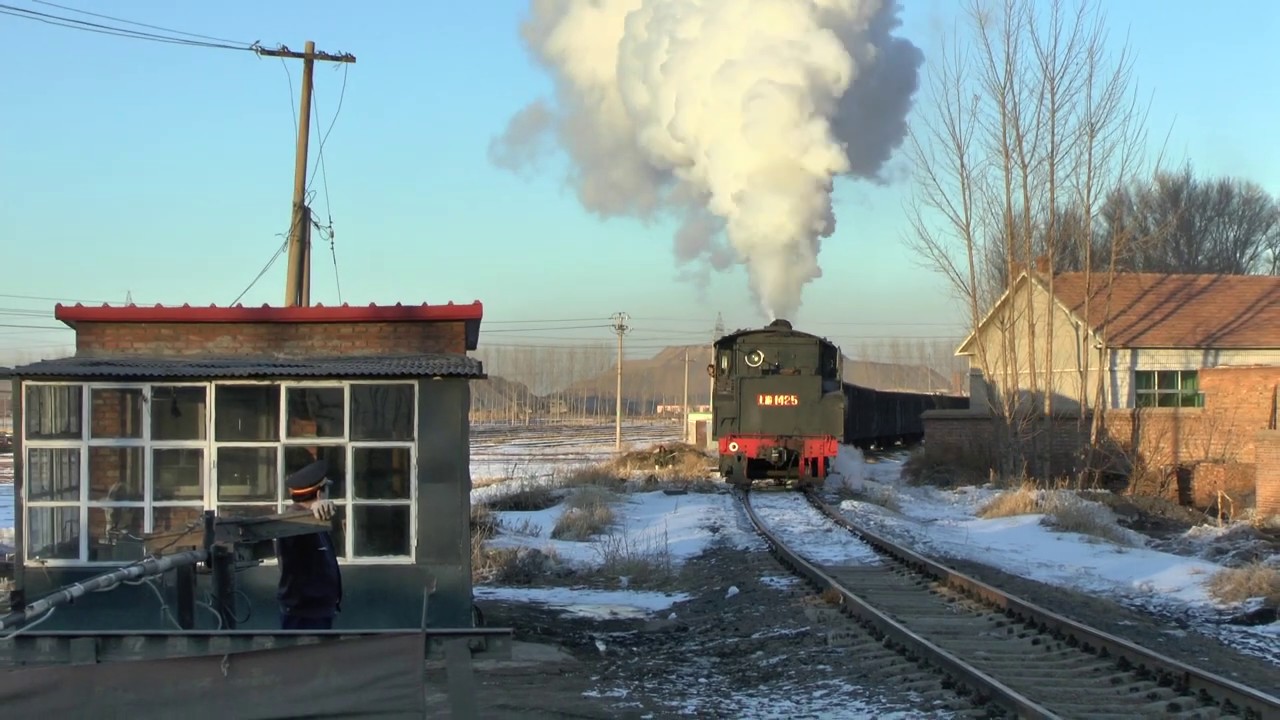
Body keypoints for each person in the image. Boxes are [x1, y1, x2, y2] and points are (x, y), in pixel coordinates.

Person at [276, 459, 343, 630]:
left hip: (317, 612)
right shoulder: (293, 522)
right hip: (304, 614)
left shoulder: (315, 521)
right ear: (320, 495)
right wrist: (310, 513)